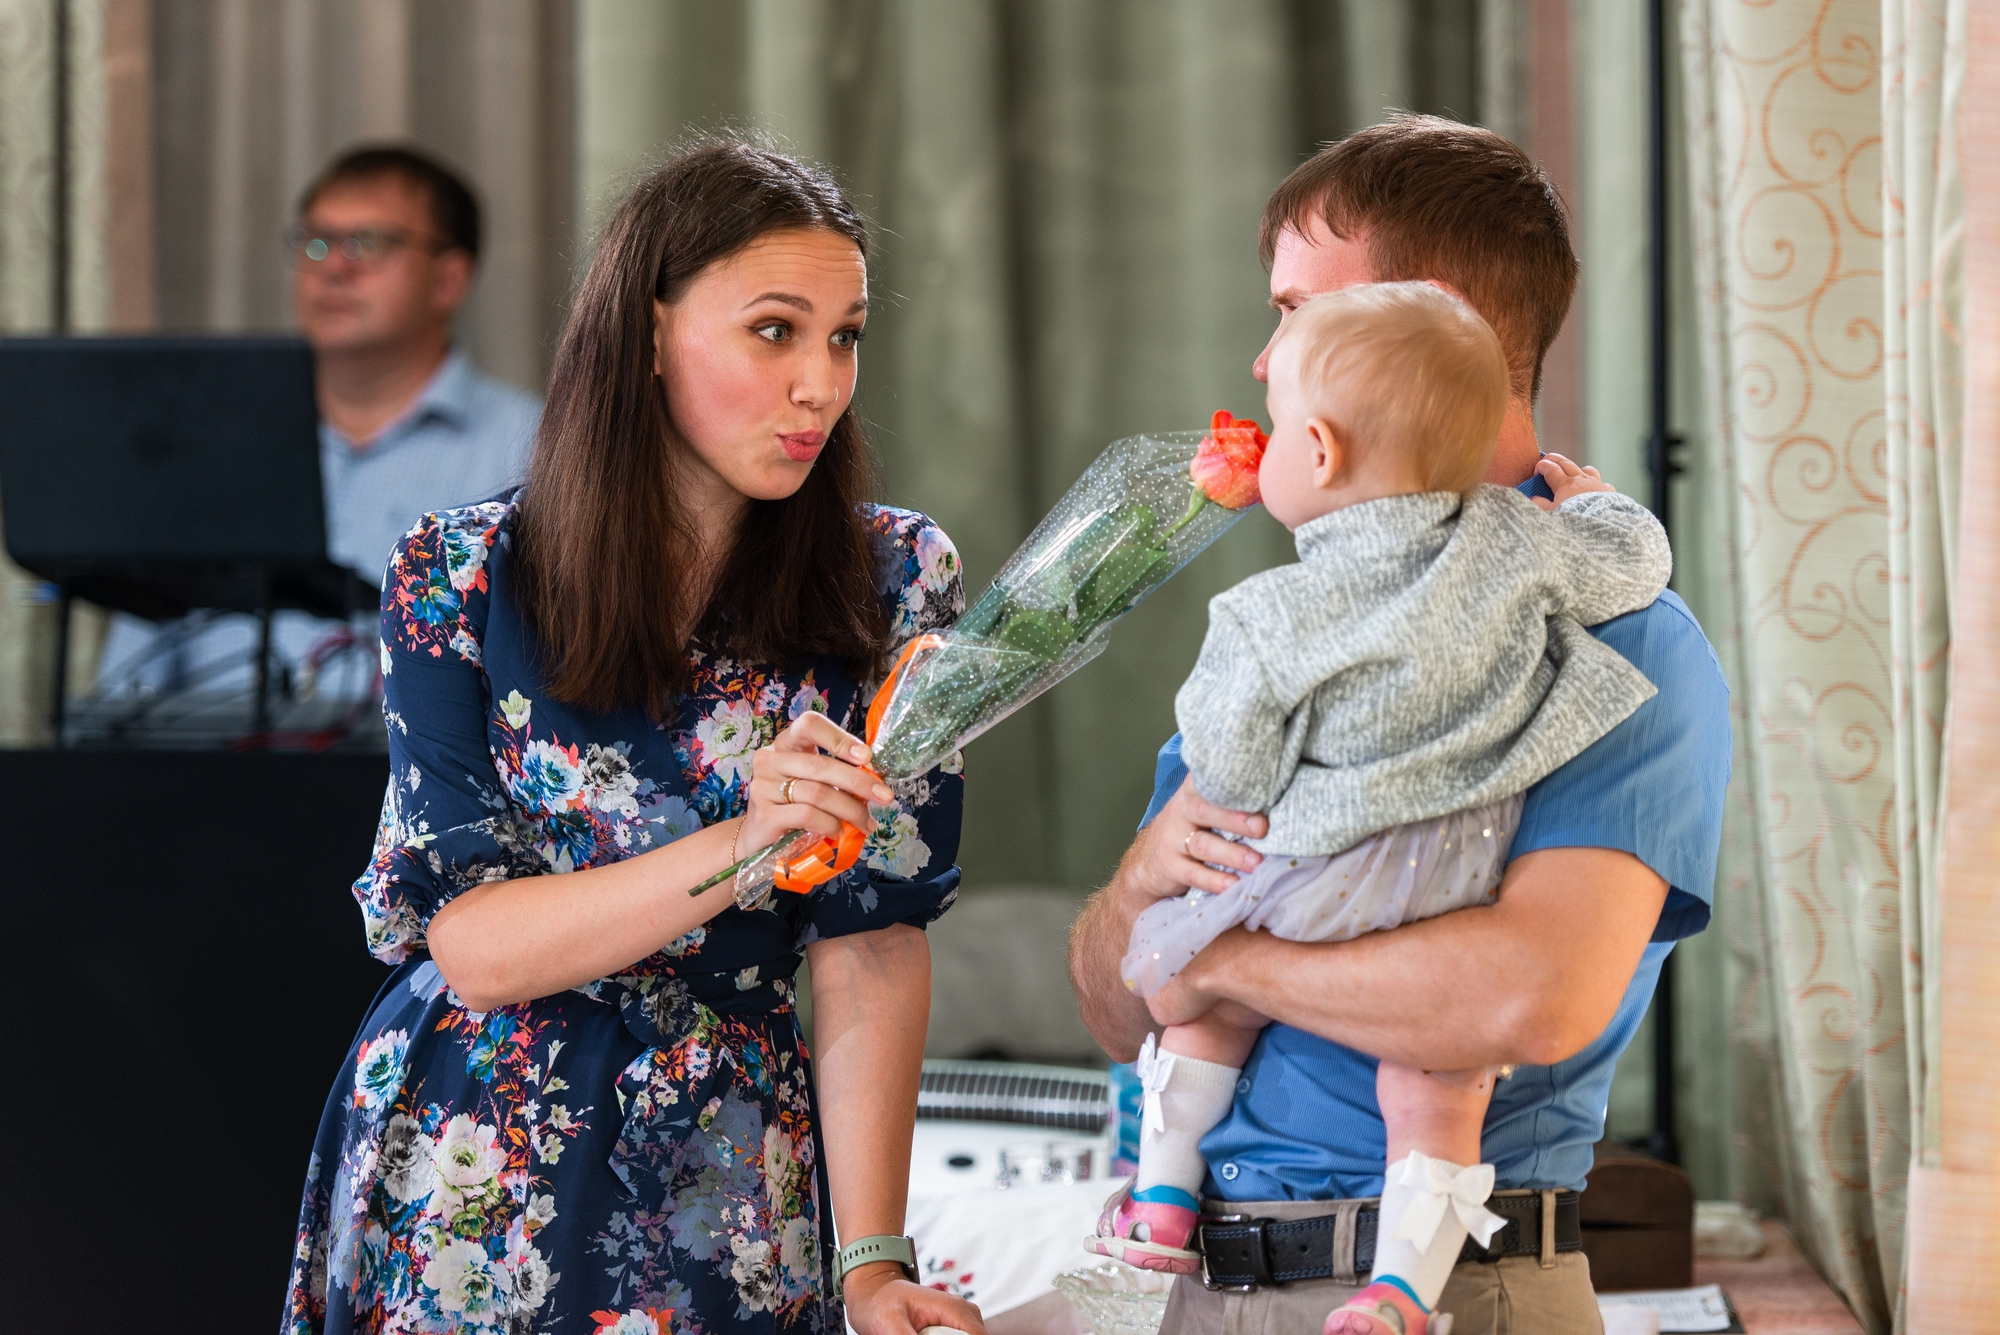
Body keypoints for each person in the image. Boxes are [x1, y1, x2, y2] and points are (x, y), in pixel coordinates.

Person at [282, 138, 985, 1335]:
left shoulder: (896, 578)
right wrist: (746, 844)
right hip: (474, 1160)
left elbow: (871, 940)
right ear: (649, 332)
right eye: (775, 331)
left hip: (733, 1171)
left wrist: (871, 1263)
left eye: (844, 337)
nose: (819, 384)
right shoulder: (458, 571)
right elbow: (476, 948)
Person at [1067, 115, 1732, 1335]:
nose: (1263, 362)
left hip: (1451, 1288)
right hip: (1194, 1290)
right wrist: (1136, 883)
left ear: (1432, 322)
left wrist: (1216, 960)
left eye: (1294, 312)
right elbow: (1114, 1010)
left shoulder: (1619, 645)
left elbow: (1529, 997)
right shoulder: (1296, 626)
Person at [95, 145, 538, 704]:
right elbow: (121, 696)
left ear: (447, 278)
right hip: (204, 755)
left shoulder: (533, 447)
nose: (333, 267)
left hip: (413, 761)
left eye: (368, 243)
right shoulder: (212, 446)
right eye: (317, 241)